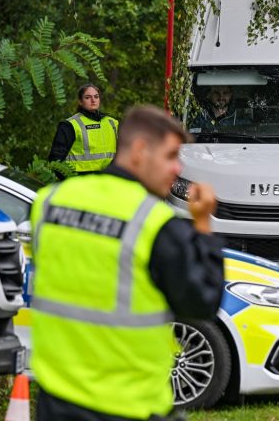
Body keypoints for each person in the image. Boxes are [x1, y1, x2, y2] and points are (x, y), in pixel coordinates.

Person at [30, 105, 226, 421]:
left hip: (56, 401)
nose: (176, 169)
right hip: (127, 406)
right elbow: (203, 302)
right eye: (170, 155)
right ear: (139, 150)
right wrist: (202, 224)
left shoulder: (48, 203)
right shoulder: (155, 224)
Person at [49, 83, 119, 175]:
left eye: (96, 96)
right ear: (80, 101)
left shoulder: (112, 122)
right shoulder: (70, 125)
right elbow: (55, 160)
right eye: (87, 97)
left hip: (107, 179)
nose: (93, 100)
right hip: (79, 180)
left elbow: (124, 153)